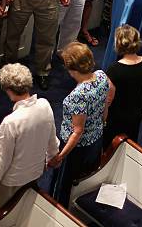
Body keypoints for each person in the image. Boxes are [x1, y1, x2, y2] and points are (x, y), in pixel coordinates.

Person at [0, 63, 59, 212]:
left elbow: (1, 161)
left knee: (3, 218)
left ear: (8, 90)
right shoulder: (45, 105)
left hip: (12, 181)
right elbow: (52, 140)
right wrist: (53, 157)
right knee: (24, 211)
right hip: (35, 173)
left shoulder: (10, 122)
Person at [50, 42, 110, 207]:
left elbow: (77, 131)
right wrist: (102, 122)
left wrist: (60, 156)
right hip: (96, 138)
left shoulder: (76, 97)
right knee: (85, 178)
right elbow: (106, 103)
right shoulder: (101, 76)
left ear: (72, 70)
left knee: (64, 185)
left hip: (76, 148)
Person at [103, 25, 142, 148]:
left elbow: (108, 100)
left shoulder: (114, 70)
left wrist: (103, 119)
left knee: (110, 147)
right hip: (135, 113)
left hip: (116, 116)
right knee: (130, 144)